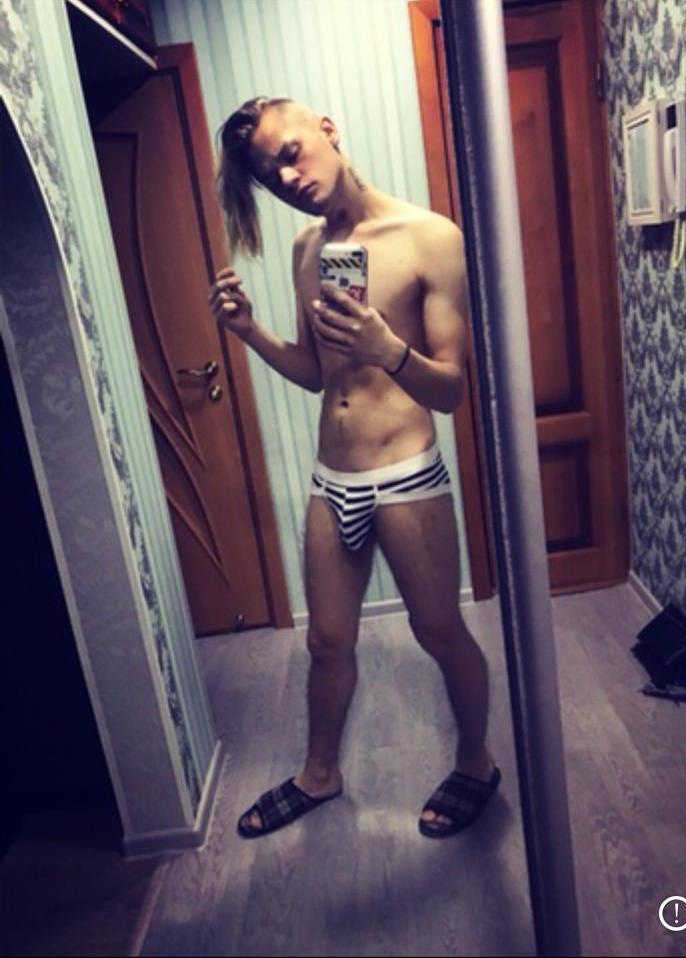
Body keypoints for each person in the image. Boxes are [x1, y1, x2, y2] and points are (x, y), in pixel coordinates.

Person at [208, 96, 501, 840]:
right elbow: (317, 374)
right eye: (271, 176)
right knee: (326, 641)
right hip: (330, 476)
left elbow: (451, 390)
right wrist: (249, 332)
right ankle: (320, 774)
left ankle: (476, 763)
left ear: (327, 130)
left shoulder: (429, 237)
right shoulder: (308, 250)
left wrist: (387, 349)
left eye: (290, 153)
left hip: (405, 472)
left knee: (438, 630)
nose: (288, 178)